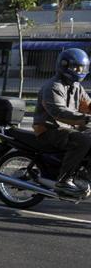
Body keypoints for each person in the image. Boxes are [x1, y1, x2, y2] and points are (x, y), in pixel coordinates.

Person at [33, 48, 91, 196]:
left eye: (82, 68)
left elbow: (88, 105)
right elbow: (58, 112)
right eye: (76, 67)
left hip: (67, 128)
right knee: (83, 140)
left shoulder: (76, 86)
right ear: (64, 66)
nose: (80, 71)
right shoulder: (53, 86)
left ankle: (83, 173)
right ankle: (64, 180)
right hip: (49, 129)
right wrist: (85, 118)